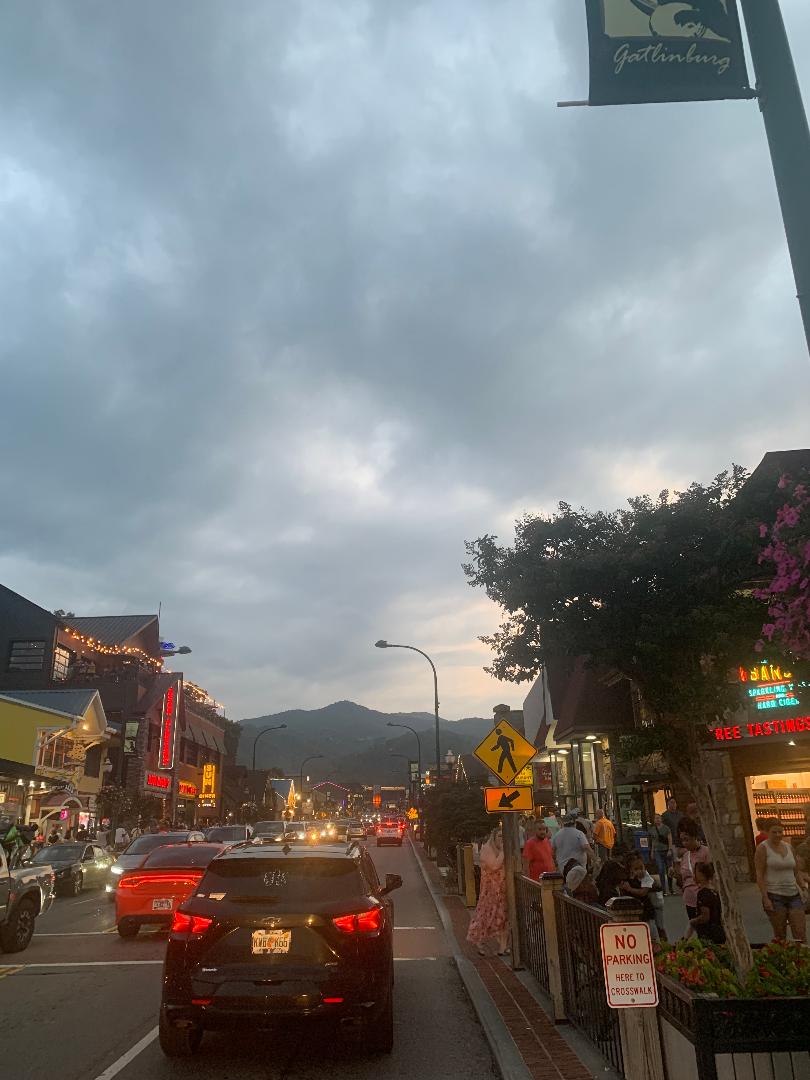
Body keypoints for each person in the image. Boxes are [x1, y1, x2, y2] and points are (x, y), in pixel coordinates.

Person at [754, 818, 807, 943]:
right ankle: (782, 959)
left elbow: (796, 871)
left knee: (800, 932)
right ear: (767, 832)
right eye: (774, 832)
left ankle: (802, 959)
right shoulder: (763, 849)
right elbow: (759, 874)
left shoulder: (789, 847)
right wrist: (765, 897)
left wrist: (804, 888)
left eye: (780, 832)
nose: (778, 835)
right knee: (780, 934)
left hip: (793, 894)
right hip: (774, 895)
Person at [467, 827, 509, 957]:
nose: (501, 839)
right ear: (494, 837)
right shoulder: (487, 849)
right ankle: (478, 941)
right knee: (485, 916)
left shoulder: (502, 850)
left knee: (503, 918)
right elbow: (494, 866)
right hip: (490, 891)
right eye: (499, 836)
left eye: (503, 836)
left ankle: (503, 947)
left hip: (502, 890)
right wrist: (502, 851)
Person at [674, 818, 710, 920]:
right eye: (682, 840)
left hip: (704, 901)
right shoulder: (685, 856)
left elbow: (712, 877)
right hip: (689, 900)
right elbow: (682, 882)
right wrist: (676, 874)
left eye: (687, 839)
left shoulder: (706, 852)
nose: (684, 843)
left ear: (695, 837)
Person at [688, 861, 725, 945]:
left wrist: (694, 921)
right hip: (718, 929)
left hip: (708, 933)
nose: (694, 875)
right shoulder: (714, 891)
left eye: (696, 872)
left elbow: (705, 916)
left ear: (702, 875)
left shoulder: (703, 893)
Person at [648, 813, 673, 895]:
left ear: (661, 819)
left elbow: (669, 839)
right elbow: (653, 841)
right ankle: (663, 889)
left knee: (669, 869)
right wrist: (652, 851)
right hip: (657, 851)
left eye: (658, 818)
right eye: (655, 818)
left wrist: (670, 849)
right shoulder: (652, 829)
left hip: (666, 850)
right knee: (661, 869)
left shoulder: (666, 828)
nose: (657, 820)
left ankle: (670, 888)